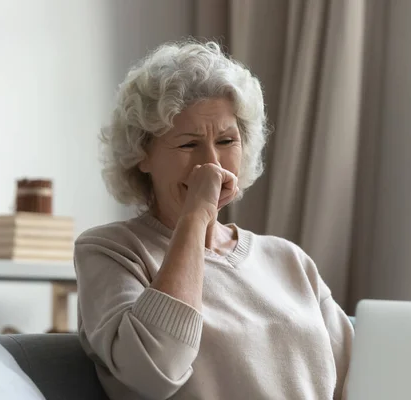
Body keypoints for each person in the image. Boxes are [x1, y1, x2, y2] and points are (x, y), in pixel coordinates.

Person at [74, 40, 354, 400]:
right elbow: (152, 372)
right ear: (141, 154)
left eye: (226, 141)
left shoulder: (289, 260)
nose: (213, 164)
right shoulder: (111, 251)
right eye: (189, 145)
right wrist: (197, 216)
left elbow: (361, 377)